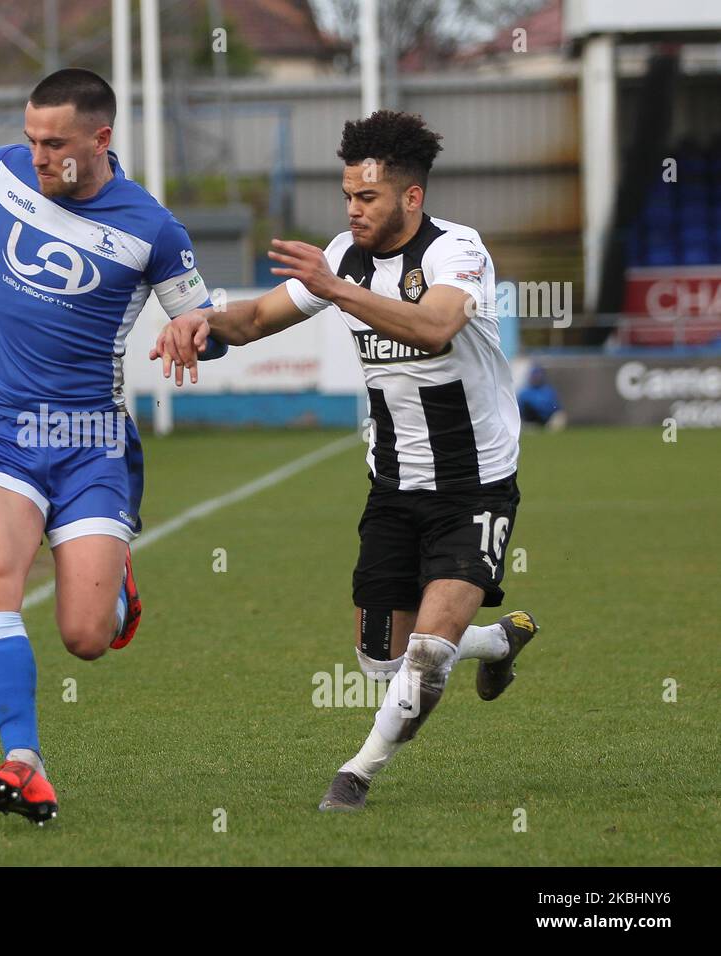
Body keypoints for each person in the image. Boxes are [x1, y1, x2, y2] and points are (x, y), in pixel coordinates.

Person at [0, 4, 213, 822]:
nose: (37, 155)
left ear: (100, 139)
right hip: (2, 433)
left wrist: (200, 328)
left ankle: (113, 577)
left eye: (55, 143)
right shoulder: (15, 175)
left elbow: (202, 320)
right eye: (31, 138)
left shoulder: (152, 229)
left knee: (87, 637)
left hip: (92, 445)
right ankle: (24, 760)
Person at [152, 110, 539, 812]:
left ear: (411, 197)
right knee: (380, 663)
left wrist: (334, 289)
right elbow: (258, 319)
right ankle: (494, 643)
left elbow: (436, 326)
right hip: (391, 488)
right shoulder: (345, 256)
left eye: (368, 198)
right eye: (347, 199)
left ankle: (355, 775)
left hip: (473, 486)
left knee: (422, 663)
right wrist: (200, 321)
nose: (354, 211)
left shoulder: (457, 251)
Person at [517, 365, 565, 429]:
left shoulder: (548, 390)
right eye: (535, 375)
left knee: (560, 416)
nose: (536, 377)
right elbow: (520, 409)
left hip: (546, 418)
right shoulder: (525, 392)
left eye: (538, 375)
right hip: (531, 419)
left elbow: (556, 407)